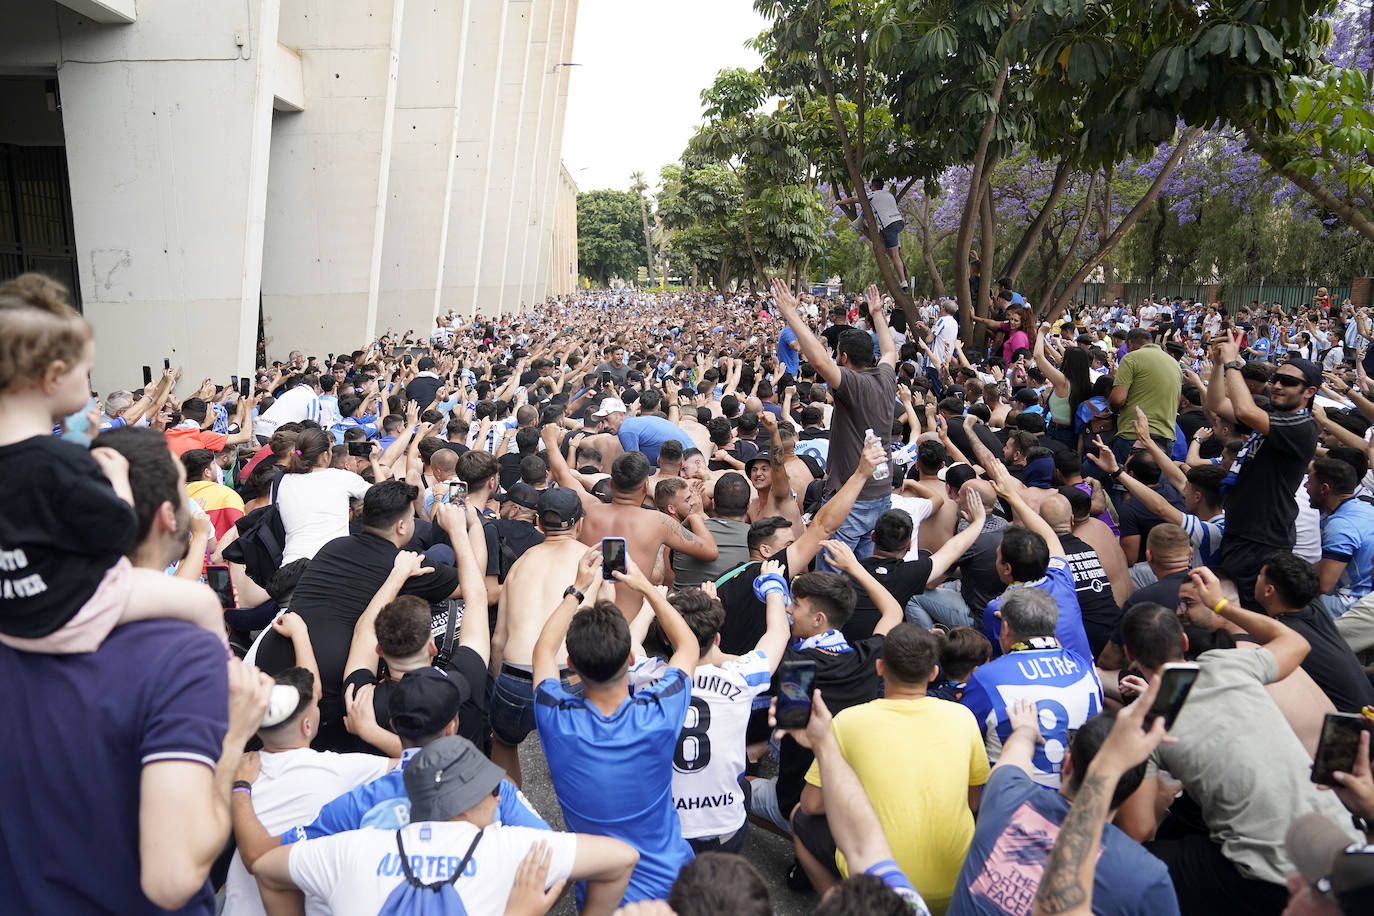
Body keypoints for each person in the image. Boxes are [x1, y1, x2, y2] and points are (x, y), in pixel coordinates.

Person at [0, 422, 274, 913]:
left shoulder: (16, 626)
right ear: (169, 518)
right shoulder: (181, 656)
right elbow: (172, 877)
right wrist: (234, 740)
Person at [0, 273, 225, 656]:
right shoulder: (64, 462)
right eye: (85, 371)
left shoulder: (48, 455)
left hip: (12, 619)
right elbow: (120, 530)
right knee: (200, 603)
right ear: (54, 376)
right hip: (68, 617)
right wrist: (117, 476)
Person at [1116, 572, 1363, 914]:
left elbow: (1138, 828)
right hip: (1341, 841)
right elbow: (1295, 643)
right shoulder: (1231, 664)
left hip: (1265, 879)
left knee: (1134, 865)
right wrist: (1222, 605)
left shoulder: (1147, 723)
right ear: (1184, 643)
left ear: (1129, 654)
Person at [244, 736, 640, 916]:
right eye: (490, 790)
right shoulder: (511, 849)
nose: (499, 797)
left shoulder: (351, 849)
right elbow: (622, 858)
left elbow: (265, 868)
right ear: (463, 806)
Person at [533, 547, 699, 905]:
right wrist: (648, 588)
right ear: (631, 657)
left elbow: (543, 652)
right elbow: (687, 645)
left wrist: (578, 588)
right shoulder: (659, 712)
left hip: (601, 894)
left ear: (572, 665)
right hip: (675, 882)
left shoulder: (555, 717)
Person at [252, 483, 465, 751]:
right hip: (327, 694)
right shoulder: (405, 565)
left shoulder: (333, 547)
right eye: (412, 517)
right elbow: (477, 589)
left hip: (272, 661)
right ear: (402, 526)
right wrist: (462, 531)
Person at [794, 624, 990, 912]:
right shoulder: (963, 717)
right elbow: (973, 801)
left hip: (883, 891)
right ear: (934, 673)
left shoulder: (849, 720)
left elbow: (811, 805)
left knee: (799, 817)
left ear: (880, 667)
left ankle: (843, 904)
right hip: (956, 885)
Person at [949, 695, 1178, 916]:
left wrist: (1026, 730)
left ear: (1067, 764)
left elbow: (1015, 752)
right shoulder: (1147, 878)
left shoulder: (1005, 793)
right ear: (1134, 790)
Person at [629, 573, 788, 854]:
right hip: (723, 828)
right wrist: (772, 582)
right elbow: (778, 633)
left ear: (665, 639)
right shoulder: (742, 678)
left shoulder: (646, 679)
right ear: (716, 638)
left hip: (665, 828)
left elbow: (631, 646)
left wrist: (649, 607)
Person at [220, 665, 392, 916]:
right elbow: (424, 762)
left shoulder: (237, 769)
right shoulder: (339, 768)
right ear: (308, 727)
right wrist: (370, 731)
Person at [771, 280, 896, 563]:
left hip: (851, 500)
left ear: (844, 357)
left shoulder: (852, 383)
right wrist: (877, 315)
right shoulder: (887, 377)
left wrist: (791, 314)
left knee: (832, 575)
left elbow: (818, 362)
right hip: (881, 493)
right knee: (862, 571)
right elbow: (890, 352)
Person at [489, 486, 598, 786]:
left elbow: (498, 640)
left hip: (515, 676)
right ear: (580, 524)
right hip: (571, 677)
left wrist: (501, 686)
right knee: (577, 756)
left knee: (503, 741)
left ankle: (513, 815)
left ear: (538, 524)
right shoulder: (591, 564)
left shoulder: (521, 564)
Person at [1206, 336, 1319, 606]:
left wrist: (1234, 361)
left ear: (1309, 392)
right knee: (1229, 604)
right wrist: (1219, 364)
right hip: (1244, 529)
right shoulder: (1276, 414)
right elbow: (1217, 404)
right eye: (1277, 378)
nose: (1278, 385)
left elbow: (1244, 410)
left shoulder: (1302, 426)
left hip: (1262, 537)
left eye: (1289, 382)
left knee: (1239, 608)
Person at [961, 587, 1103, 788]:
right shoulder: (1083, 666)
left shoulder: (987, 677)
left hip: (1013, 806)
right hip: (1078, 797)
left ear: (1006, 628)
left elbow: (962, 740)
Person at [1250, 551, 1374, 714]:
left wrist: (1222, 606)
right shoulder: (1315, 609)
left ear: (1269, 590)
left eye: (1260, 576)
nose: (1256, 579)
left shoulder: (1286, 635)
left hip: (1348, 726)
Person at [274, 426, 372, 564]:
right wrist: (374, 461)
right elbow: (384, 495)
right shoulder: (342, 478)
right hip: (332, 565)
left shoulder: (280, 480)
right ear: (325, 455)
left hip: (292, 564)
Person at [1304, 457, 1374, 616]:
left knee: (1285, 600)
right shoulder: (1364, 507)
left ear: (1324, 489)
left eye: (1309, 481)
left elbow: (1323, 585)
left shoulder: (1341, 525)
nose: (1305, 486)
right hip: (1369, 596)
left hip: (1354, 603)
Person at [1107, 328, 1181, 463]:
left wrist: (1113, 408)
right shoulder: (1174, 364)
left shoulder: (1131, 358)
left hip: (1134, 434)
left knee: (1125, 481)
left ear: (1130, 343)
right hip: (1165, 437)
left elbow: (1117, 399)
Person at [836, 178, 908, 288]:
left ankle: (903, 282)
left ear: (873, 186)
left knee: (895, 255)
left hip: (889, 225)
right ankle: (859, 223)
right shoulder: (889, 195)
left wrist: (839, 202)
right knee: (892, 250)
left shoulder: (872, 196)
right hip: (899, 222)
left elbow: (853, 199)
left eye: (870, 187)